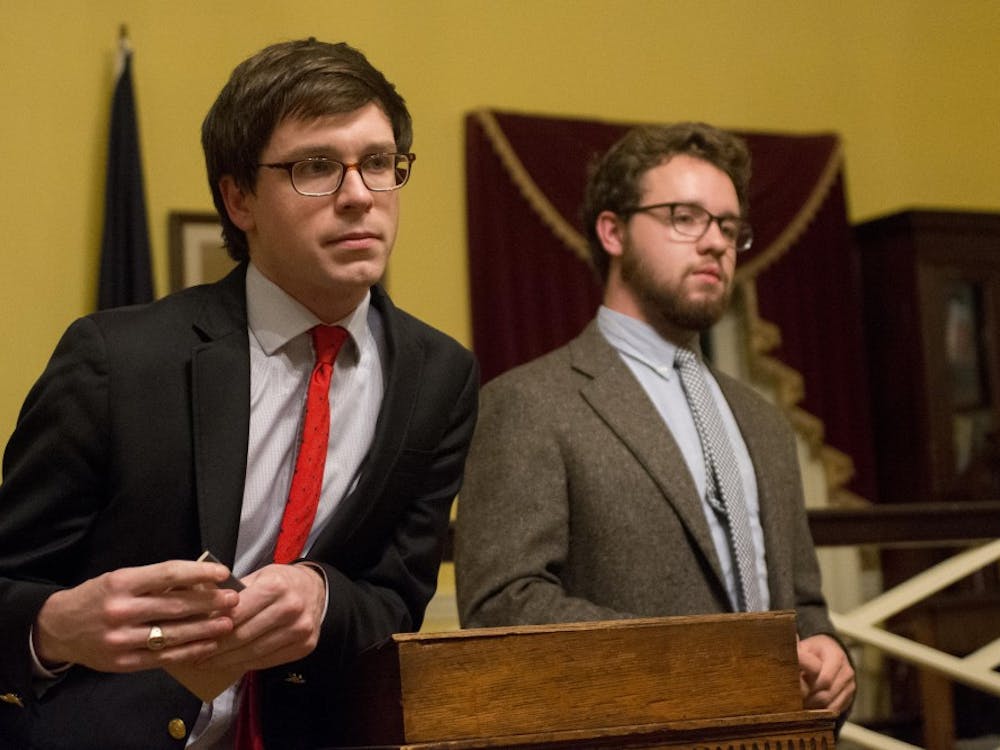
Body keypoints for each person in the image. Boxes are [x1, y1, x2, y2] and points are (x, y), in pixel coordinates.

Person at [0, 39, 477, 750]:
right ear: (238, 198)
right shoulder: (117, 360)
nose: (358, 195)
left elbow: (396, 598)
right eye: (316, 166)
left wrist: (322, 594)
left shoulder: (441, 374)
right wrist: (52, 627)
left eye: (378, 163)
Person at [455, 122, 855, 721]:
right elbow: (502, 608)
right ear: (612, 231)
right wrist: (712, 664)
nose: (715, 242)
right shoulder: (529, 404)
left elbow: (803, 607)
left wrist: (830, 657)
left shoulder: (763, 423)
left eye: (727, 225)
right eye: (684, 217)